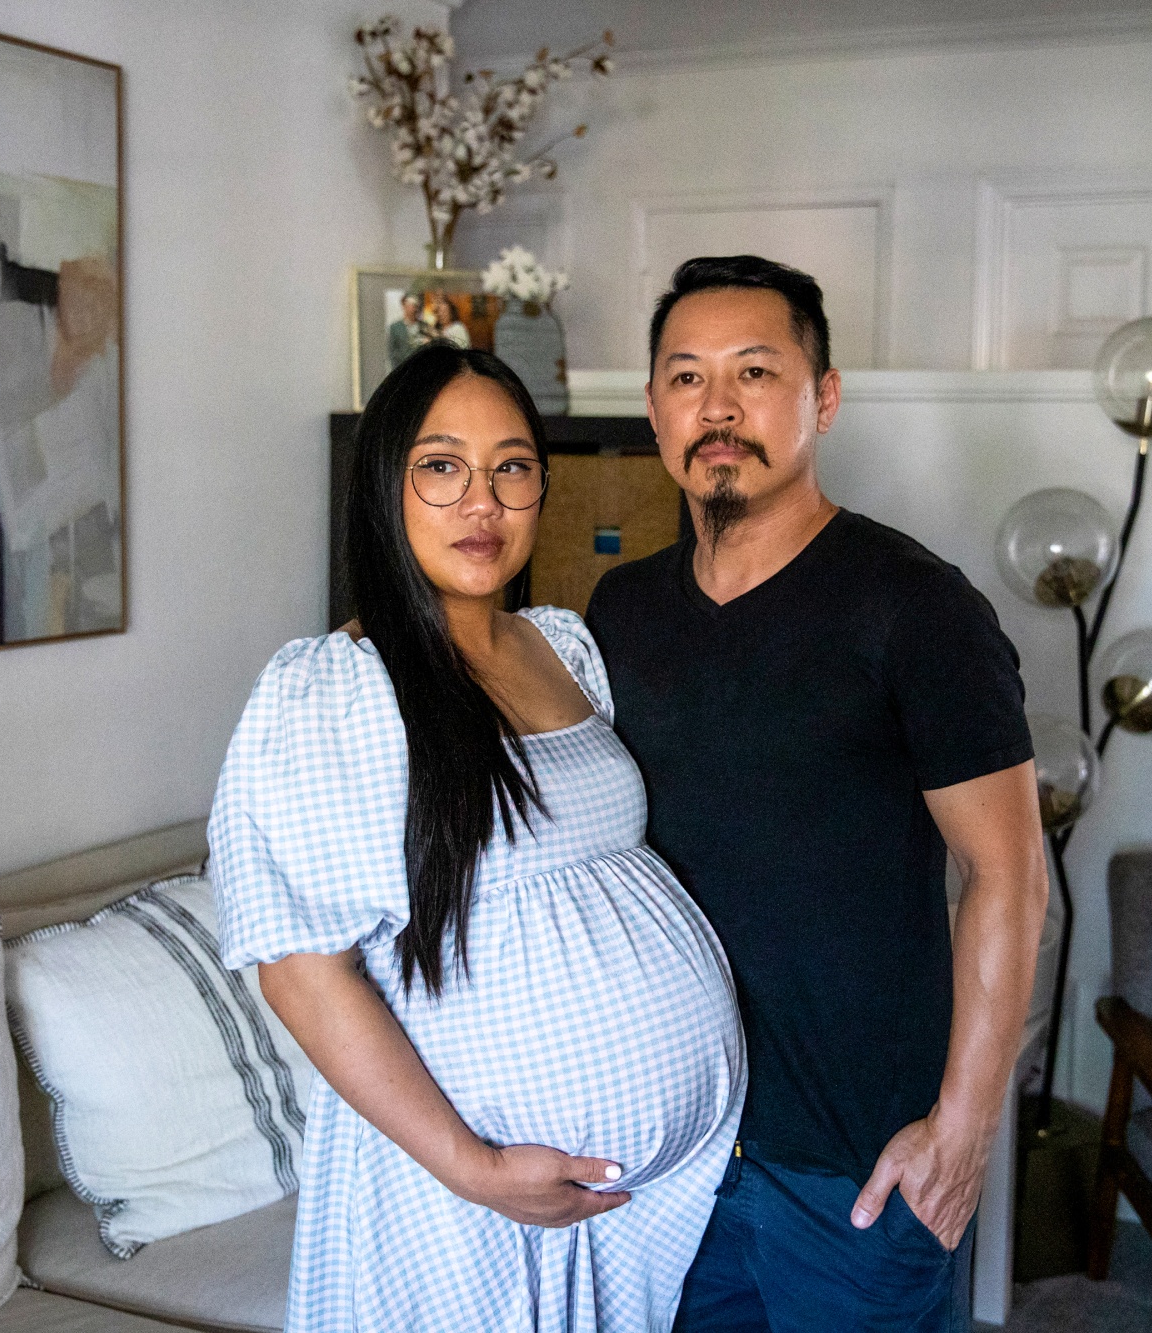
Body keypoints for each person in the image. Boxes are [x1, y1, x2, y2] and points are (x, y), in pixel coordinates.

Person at [209, 343, 745, 1331]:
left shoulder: (561, 644)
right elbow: (301, 972)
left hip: (630, 1206)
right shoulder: (332, 689)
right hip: (463, 1193)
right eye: (441, 466)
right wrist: (474, 1165)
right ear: (384, 487)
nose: (483, 502)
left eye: (511, 467)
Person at [585, 256, 1050, 1332]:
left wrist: (963, 1130)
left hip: (853, 1173)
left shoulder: (916, 607)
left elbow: (1009, 873)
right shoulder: (620, 609)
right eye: (687, 377)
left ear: (823, 398)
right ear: (653, 409)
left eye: (754, 372)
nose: (717, 407)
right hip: (673, 1156)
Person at [387, 292, 427, 369]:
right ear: (404, 306)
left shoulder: (424, 326)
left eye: (415, 305)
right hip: (403, 369)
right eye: (410, 305)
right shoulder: (395, 327)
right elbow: (392, 353)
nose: (413, 308)